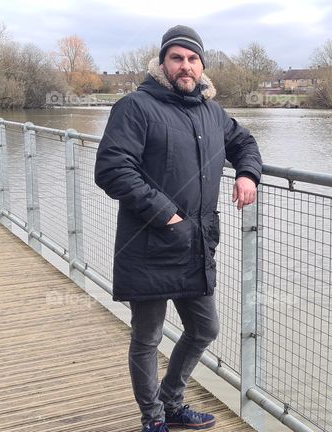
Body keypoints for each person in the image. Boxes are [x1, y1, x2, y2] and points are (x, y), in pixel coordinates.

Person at [94, 25, 262, 432]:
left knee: (205, 328)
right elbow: (112, 169)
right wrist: (167, 214)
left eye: (192, 58)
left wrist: (248, 175)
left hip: (196, 244)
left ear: (202, 65)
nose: (185, 66)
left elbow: (245, 143)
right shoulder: (135, 107)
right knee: (148, 339)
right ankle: (153, 418)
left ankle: (171, 402)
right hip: (148, 243)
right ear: (162, 63)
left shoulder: (212, 111)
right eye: (177, 58)